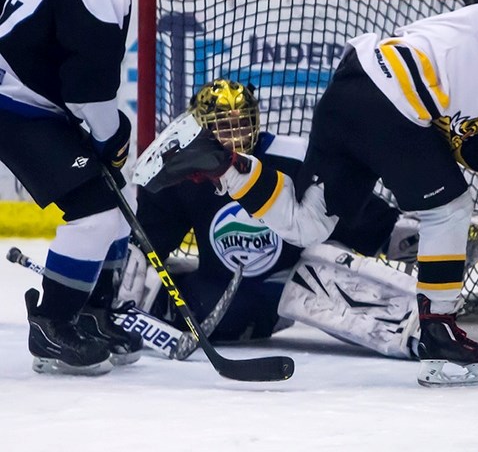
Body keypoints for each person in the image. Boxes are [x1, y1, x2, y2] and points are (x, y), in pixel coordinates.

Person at [134, 0, 478, 387]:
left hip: (351, 93)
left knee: (308, 223)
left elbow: (476, 152)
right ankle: (439, 331)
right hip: (394, 90)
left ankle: (220, 163)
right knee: (450, 209)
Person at [121, 78, 433, 359]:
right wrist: (127, 283)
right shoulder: (185, 173)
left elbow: (344, 208)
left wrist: (397, 235)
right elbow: (152, 237)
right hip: (215, 296)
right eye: (223, 128)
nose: (235, 136)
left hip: (283, 290)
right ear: (201, 130)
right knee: (167, 295)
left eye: (241, 125)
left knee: (318, 265)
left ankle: (412, 324)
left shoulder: (293, 157)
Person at [0, 0, 161, 375]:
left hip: (24, 102)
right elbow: (88, 96)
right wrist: (110, 140)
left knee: (116, 188)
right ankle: (53, 324)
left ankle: (93, 309)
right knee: (95, 210)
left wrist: (111, 142)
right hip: (14, 106)